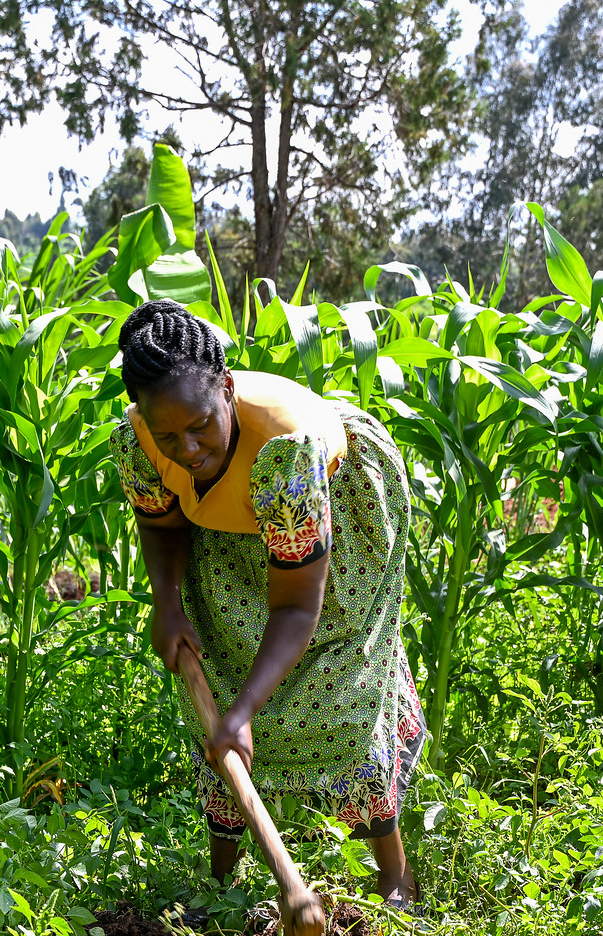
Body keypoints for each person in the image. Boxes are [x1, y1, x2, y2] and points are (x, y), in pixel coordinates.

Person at [110, 300, 424, 905]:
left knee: (342, 698)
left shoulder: (285, 452)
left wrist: (246, 711)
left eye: (201, 424)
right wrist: (167, 601)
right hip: (230, 525)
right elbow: (163, 523)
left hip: (335, 532)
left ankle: (394, 879)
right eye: (169, 434)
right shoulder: (149, 436)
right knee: (221, 667)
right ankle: (220, 886)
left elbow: (298, 610)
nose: (188, 447)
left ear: (226, 391)